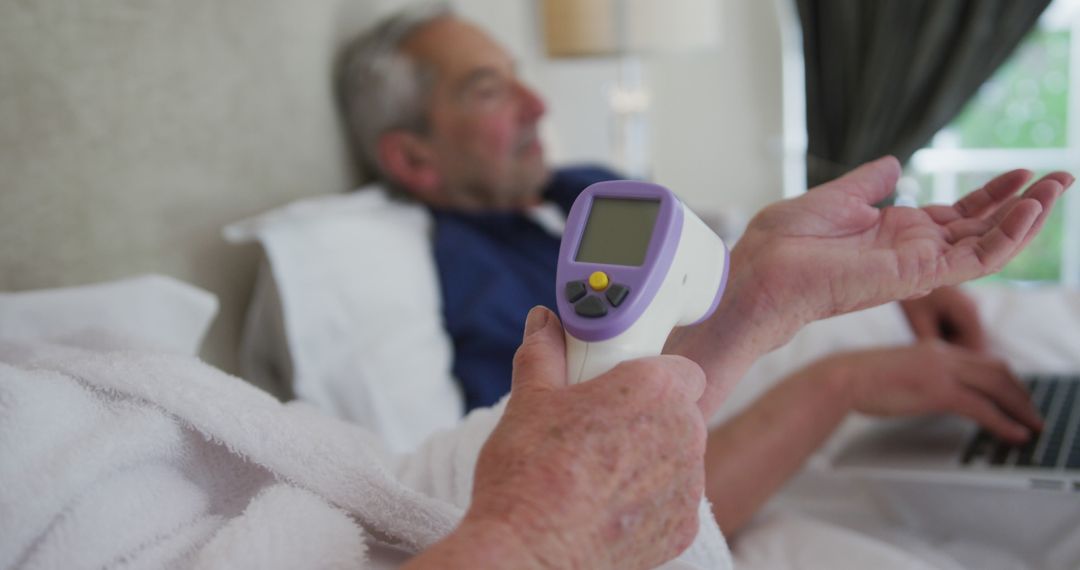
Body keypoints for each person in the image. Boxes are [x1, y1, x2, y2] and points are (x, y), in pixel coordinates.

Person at [338, 5, 1071, 536]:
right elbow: (602, 492)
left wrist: (896, 293)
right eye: (488, 90)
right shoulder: (471, 281)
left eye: (516, 75)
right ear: (413, 159)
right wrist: (844, 383)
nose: (537, 102)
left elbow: (717, 262)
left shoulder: (585, 189)